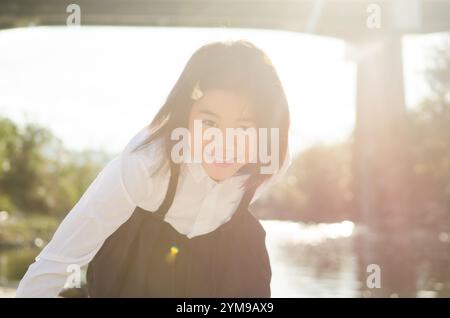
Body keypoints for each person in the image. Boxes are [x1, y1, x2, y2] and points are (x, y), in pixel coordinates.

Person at [16, 40, 291, 297]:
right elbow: (60, 259)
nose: (224, 145)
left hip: (227, 261)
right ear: (186, 116)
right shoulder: (145, 164)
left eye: (244, 128)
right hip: (142, 260)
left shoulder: (270, 160)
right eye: (209, 123)